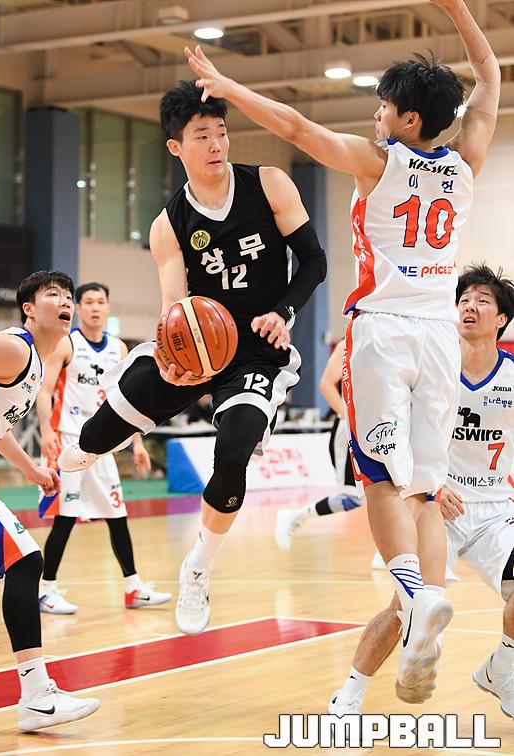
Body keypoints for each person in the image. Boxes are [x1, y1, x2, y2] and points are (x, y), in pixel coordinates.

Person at [185, 0, 500, 687]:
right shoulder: (467, 162)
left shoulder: (377, 163)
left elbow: (296, 127)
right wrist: (458, 9)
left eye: (384, 107)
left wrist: (232, 88)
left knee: (379, 479)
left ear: (407, 120)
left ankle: (414, 592)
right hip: (439, 335)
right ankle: (426, 596)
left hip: (383, 330)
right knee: (423, 485)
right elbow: (488, 75)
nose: (376, 115)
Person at [58, 80, 327, 636]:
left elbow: (314, 263)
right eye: (202, 135)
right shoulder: (169, 224)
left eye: (221, 132)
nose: (216, 144)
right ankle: (90, 447)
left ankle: (198, 567)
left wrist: (284, 312)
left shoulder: (268, 184)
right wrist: (175, 356)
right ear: (176, 146)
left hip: (259, 353)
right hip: (200, 344)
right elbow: (174, 305)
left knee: (233, 450)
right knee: (93, 438)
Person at [328, 264, 514, 718]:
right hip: (435, 506)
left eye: (482, 301)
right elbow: (401, 437)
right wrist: (432, 484)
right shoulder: (431, 363)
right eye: (463, 300)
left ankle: (501, 669)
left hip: (494, 509)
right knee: (407, 607)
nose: (469, 307)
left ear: (502, 320)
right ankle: (350, 692)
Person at [0, 271, 99, 730]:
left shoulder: (37, 367)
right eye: (54, 294)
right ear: (28, 307)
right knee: (26, 562)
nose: (65, 302)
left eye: (69, 296)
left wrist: (30, 469)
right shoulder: (13, 348)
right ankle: (36, 697)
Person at [36, 282, 172, 614]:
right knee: (65, 517)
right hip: (68, 439)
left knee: (117, 515)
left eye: (100, 302)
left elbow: (128, 401)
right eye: (88, 302)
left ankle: (133, 588)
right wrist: (45, 430)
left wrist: (137, 443)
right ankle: (45, 590)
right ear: (78, 308)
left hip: (103, 444)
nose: (95, 307)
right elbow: (45, 389)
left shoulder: (119, 349)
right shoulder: (67, 344)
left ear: (108, 308)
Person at [275, 338, 362, 551]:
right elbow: (326, 384)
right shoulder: (348, 344)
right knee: (351, 497)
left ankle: (391, 552)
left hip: (380, 429)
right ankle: (295, 516)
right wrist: (349, 418)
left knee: (392, 491)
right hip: (349, 431)